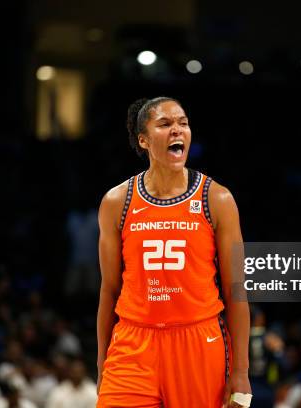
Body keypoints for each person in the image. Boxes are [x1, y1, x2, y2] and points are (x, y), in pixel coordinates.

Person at [96, 96, 251, 407]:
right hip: (133, 342)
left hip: (197, 341)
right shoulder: (117, 202)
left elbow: (237, 291)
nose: (177, 130)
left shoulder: (217, 199)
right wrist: (102, 361)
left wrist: (241, 371)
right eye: (165, 124)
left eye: (183, 123)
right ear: (143, 140)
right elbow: (110, 290)